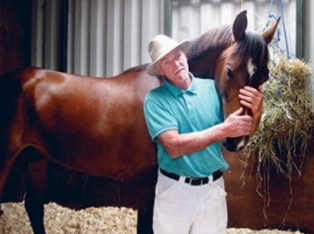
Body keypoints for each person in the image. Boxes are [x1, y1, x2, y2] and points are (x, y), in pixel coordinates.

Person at [143, 34, 263, 234]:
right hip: (175, 190)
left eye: (178, 56)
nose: (177, 63)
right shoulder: (155, 100)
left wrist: (257, 111)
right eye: (167, 61)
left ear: (185, 56)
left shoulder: (212, 88)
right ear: (159, 70)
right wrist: (223, 129)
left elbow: (239, 132)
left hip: (212, 189)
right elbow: (173, 146)